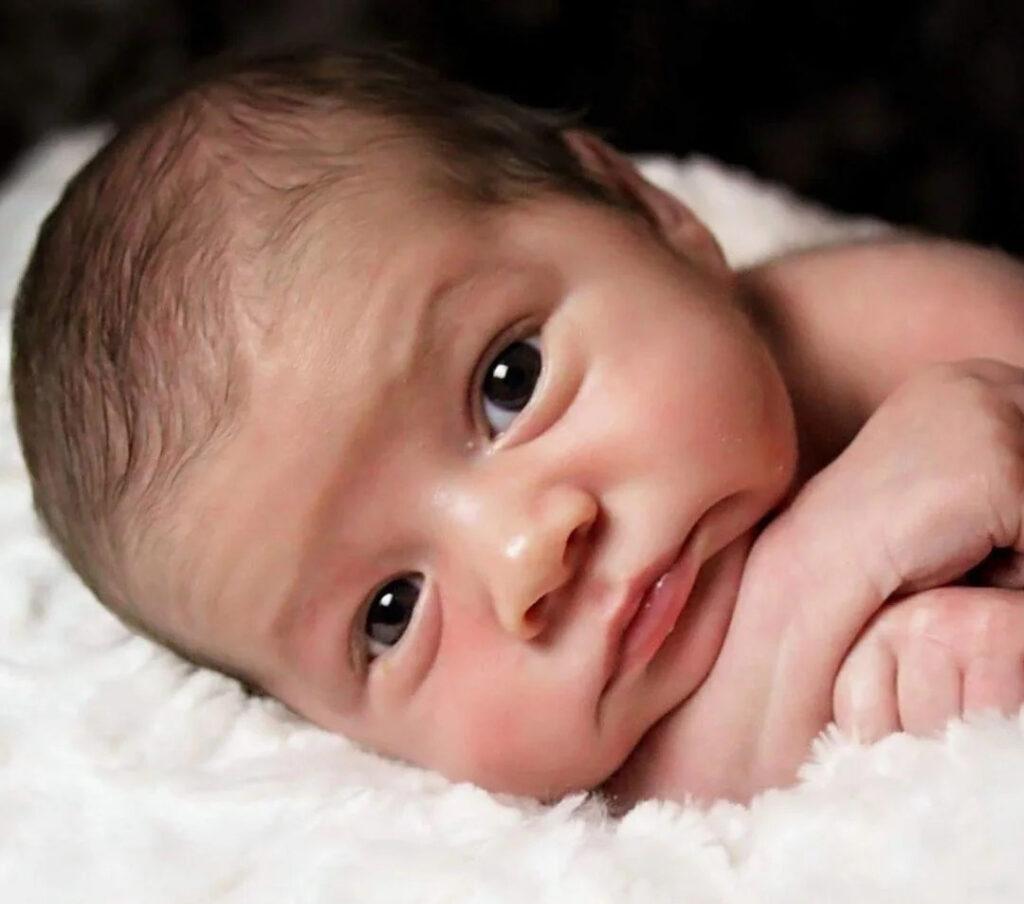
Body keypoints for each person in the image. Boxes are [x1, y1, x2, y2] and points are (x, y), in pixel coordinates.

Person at [12, 49, 1024, 813]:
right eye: (390, 614)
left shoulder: (895, 333)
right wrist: (814, 593)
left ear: (645, 211)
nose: (526, 556)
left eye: (511, 381)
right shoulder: (525, 826)